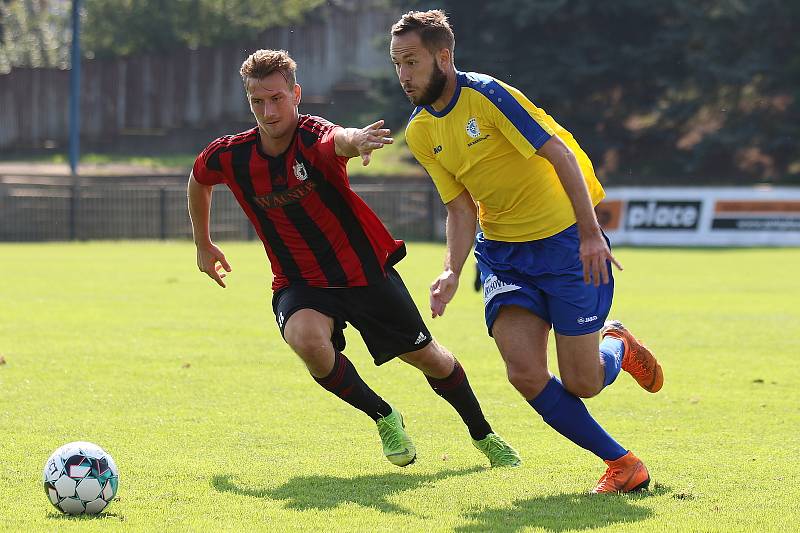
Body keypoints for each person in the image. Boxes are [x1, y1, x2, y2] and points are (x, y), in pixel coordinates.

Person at [187, 48, 520, 469]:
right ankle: (384, 416)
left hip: (363, 273)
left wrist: (357, 139)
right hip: (300, 281)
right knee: (307, 341)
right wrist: (203, 242)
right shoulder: (231, 154)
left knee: (428, 359)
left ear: (296, 94)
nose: (268, 111)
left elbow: (337, 139)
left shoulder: (312, 137)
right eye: (257, 101)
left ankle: (483, 434)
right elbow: (200, 179)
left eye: (276, 98)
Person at [390, 11, 664, 493]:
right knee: (524, 371)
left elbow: (558, 153)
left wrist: (589, 233)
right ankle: (623, 464)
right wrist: (451, 270)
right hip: (503, 255)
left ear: (444, 56)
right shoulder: (419, 132)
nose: (404, 76)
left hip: (564, 245)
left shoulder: (489, 95)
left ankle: (615, 341)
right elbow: (459, 208)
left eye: (412, 62)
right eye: (397, 64)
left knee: (583, 382)